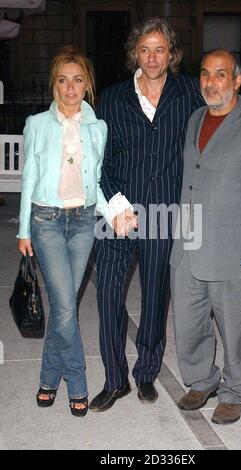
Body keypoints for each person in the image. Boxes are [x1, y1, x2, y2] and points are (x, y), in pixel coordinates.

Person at [89, 17, 241, 413]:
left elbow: (228, 103)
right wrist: (115, 206)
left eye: (160, 49)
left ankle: (147, 373)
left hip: (167, 213)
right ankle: (114, 379)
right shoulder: (113, 97)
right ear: (134, 52)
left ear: (171, 55)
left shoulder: (189, 90)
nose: (152, 57)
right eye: (144, 49)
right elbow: (96, 158)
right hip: (117, 210)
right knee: (107, 297)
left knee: (155, 297)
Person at [170, 49, 241, 424]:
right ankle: (202, 380)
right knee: (189, 323)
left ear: (237, 81)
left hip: (234, 250)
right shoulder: (195, 118)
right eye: (204, 74)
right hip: (188, 245)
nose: (210, 82)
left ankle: (235, 391)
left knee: (237, 329)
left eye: (221, 74)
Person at [18, 46, 113, 417]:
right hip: (46, 222)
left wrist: (113, 212)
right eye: (62, 80)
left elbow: (97, 182)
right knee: (65, 307)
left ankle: (47, 378)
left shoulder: (98, 128)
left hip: (85, 221)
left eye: (77, 80)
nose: (70, 87)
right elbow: (29, 179)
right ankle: (77, 381)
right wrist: (23, 229)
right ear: (53, 84)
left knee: (63, 308)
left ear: (87, 84)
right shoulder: (37, 124)